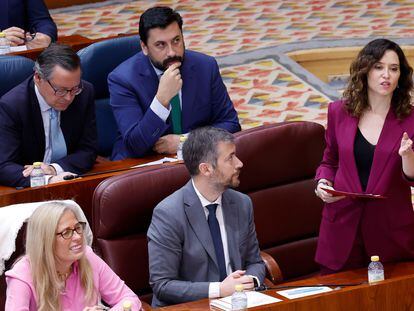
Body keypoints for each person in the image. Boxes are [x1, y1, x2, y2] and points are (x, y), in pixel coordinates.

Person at [315, 38, 414, 273]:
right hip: (341, 226)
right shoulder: (339, 111)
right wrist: (322, 182)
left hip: (390, 231)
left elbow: (411, 177)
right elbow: (329, 160)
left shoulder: (411, 119)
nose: (386, 75)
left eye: (393, 68)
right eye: (378, 67)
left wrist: (408, 156)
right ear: (365, 70)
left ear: (401, 75)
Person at [147, 126, 265, 307]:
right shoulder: (168, 214)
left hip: (238, 302)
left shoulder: (242, 204)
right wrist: (220, 289)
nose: (239, 163)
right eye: (230, 158)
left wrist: (249, 281)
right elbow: (163, 285)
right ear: (206, 169)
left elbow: (255, 262)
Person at [108, 6, 241, 160]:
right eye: (160, 45)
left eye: (176, 40)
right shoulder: (122, 79)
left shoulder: (205, 66)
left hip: (196, 159)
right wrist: (161, 100)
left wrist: (186, 141)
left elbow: (231, 124)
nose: (171, 52)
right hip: (142, 164)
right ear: (144, 47)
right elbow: (135, 145)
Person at [5, 201, 142, 310]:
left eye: (77, 228)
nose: (77, 237)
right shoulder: (21, 277)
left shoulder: (87, 256)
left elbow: (129, 299)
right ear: (45, 241)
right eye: (66, 232)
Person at [0, 43, 97, 188]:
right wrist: (47, 180)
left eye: (74, 89)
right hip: (27, 190)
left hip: (70, 178)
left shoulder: (84, 93)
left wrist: (54, 169)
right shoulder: (12, 106)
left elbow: (88, 150)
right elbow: (4, 166)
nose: (69, 98)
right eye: (61, 90)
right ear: (38, 78)